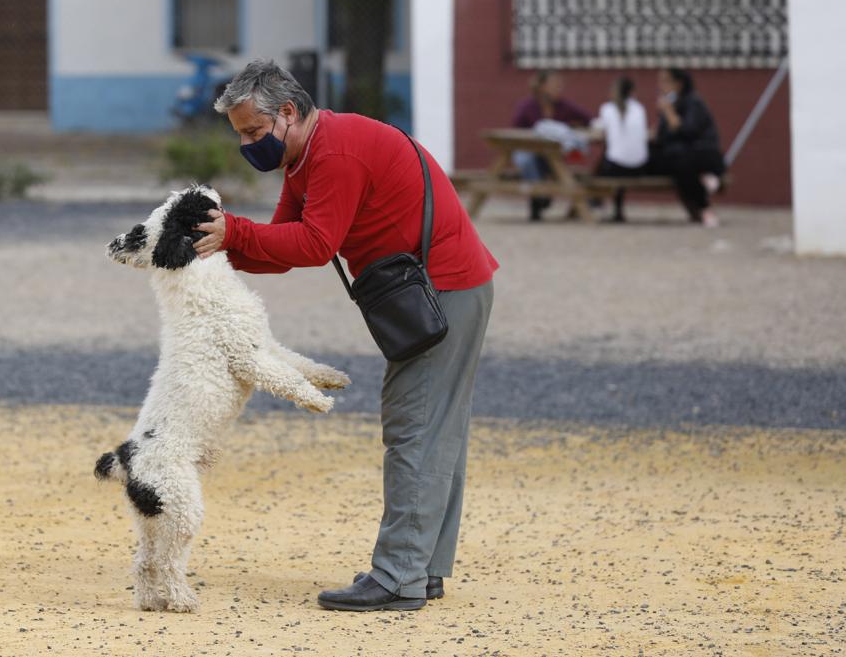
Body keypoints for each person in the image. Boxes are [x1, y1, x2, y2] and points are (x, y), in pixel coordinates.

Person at [193, 59, 498, 611]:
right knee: (436, 429)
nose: (246, 144)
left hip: (444, 288)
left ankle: (399, 575)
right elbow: (284, 248)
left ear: (287, 113)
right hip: (448, 285)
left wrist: (233, 230)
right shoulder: (304, 153)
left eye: (253, 132)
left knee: (415, 426)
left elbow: (312, 244)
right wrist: (217, 251)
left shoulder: (333, 153)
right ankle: (421, 568)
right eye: (240, 134)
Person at [510, 70, 592, 221]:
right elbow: (515, 128)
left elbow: (588, 119)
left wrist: (570, 127)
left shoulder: (564, 106)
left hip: (552, 155)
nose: (558, 88)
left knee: (555, 162)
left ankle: (540, 198)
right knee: (525, 159)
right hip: (530, 152)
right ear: (542, 87)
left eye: (559, 85)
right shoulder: (527, 106)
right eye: (554, 85)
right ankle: (540, 198)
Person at [648, 68, 726, 227]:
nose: (662, 86)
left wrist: (669, 112)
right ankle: (705, 195)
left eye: (666, 81)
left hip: (700, 154)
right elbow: (663, 136)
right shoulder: (670, 103)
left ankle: (704, 207)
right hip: (678, 157)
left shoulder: (693, 102)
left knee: (682, 164)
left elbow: (687, 131)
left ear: (679, 83)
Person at [593, 75, 649, 222]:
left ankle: (594, 201)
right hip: (639, 167)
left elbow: (599, 128)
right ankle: (615, 209)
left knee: (606, 161)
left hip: (615, 168)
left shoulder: (607, 108)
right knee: (614, 156)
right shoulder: (639, 108)